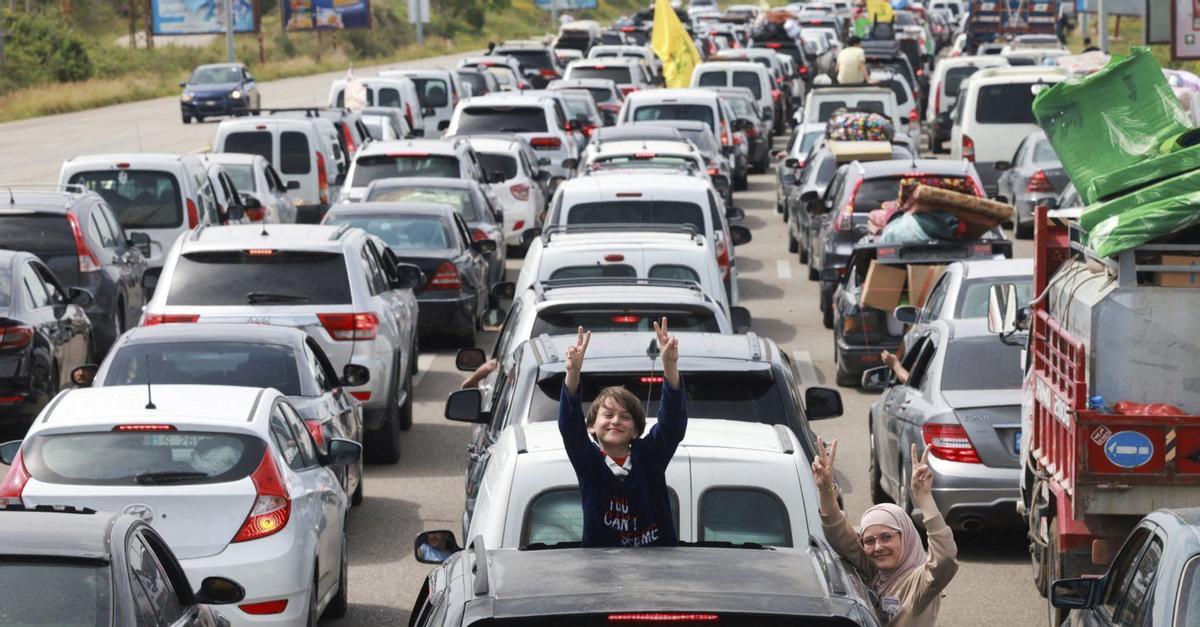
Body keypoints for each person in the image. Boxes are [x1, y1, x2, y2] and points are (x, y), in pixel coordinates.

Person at [558, 319, 686, 548]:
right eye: (608, 415)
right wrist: (573, 373)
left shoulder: (649, 456)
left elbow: (672, 425)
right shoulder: (588, 462)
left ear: (636, 430)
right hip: (602, 575)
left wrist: (669, 366)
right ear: (591, 427)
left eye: (625, 417)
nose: (616, 421)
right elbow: (569, 427)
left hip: (659, 571)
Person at [812, 438, 958, 626]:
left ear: (905, 537)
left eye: (887, 537)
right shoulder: (876, 569)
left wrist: (924, 497)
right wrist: (825, 489)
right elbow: (838, 533)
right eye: (869, 541)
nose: (878, 547)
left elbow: (945, 558)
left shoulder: (920, 583)